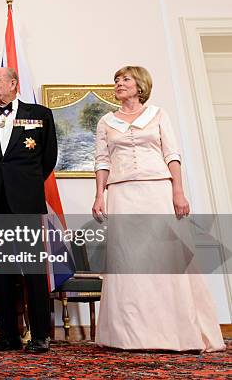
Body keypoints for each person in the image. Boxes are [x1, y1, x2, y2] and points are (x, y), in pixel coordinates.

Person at [92, 65, 225, 352]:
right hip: (122, 193)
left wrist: (178, 191)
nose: (118, 83)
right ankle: (130, 336)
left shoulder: (159, 115)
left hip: (157, 191)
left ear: (140, 85)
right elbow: (102, 161)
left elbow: (172, 155)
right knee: (128, 262)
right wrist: (99, 195)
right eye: (116, 79)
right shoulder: (105, 121)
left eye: (125, 79)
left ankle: (178, 332)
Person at [0, 67, 58, 354]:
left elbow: (48, 160)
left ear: (13, 84)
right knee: (3, 273)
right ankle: (8, 335)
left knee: (33, 270)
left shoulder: (40, 115)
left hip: (26, 202)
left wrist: (23, 186)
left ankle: (40, 336)